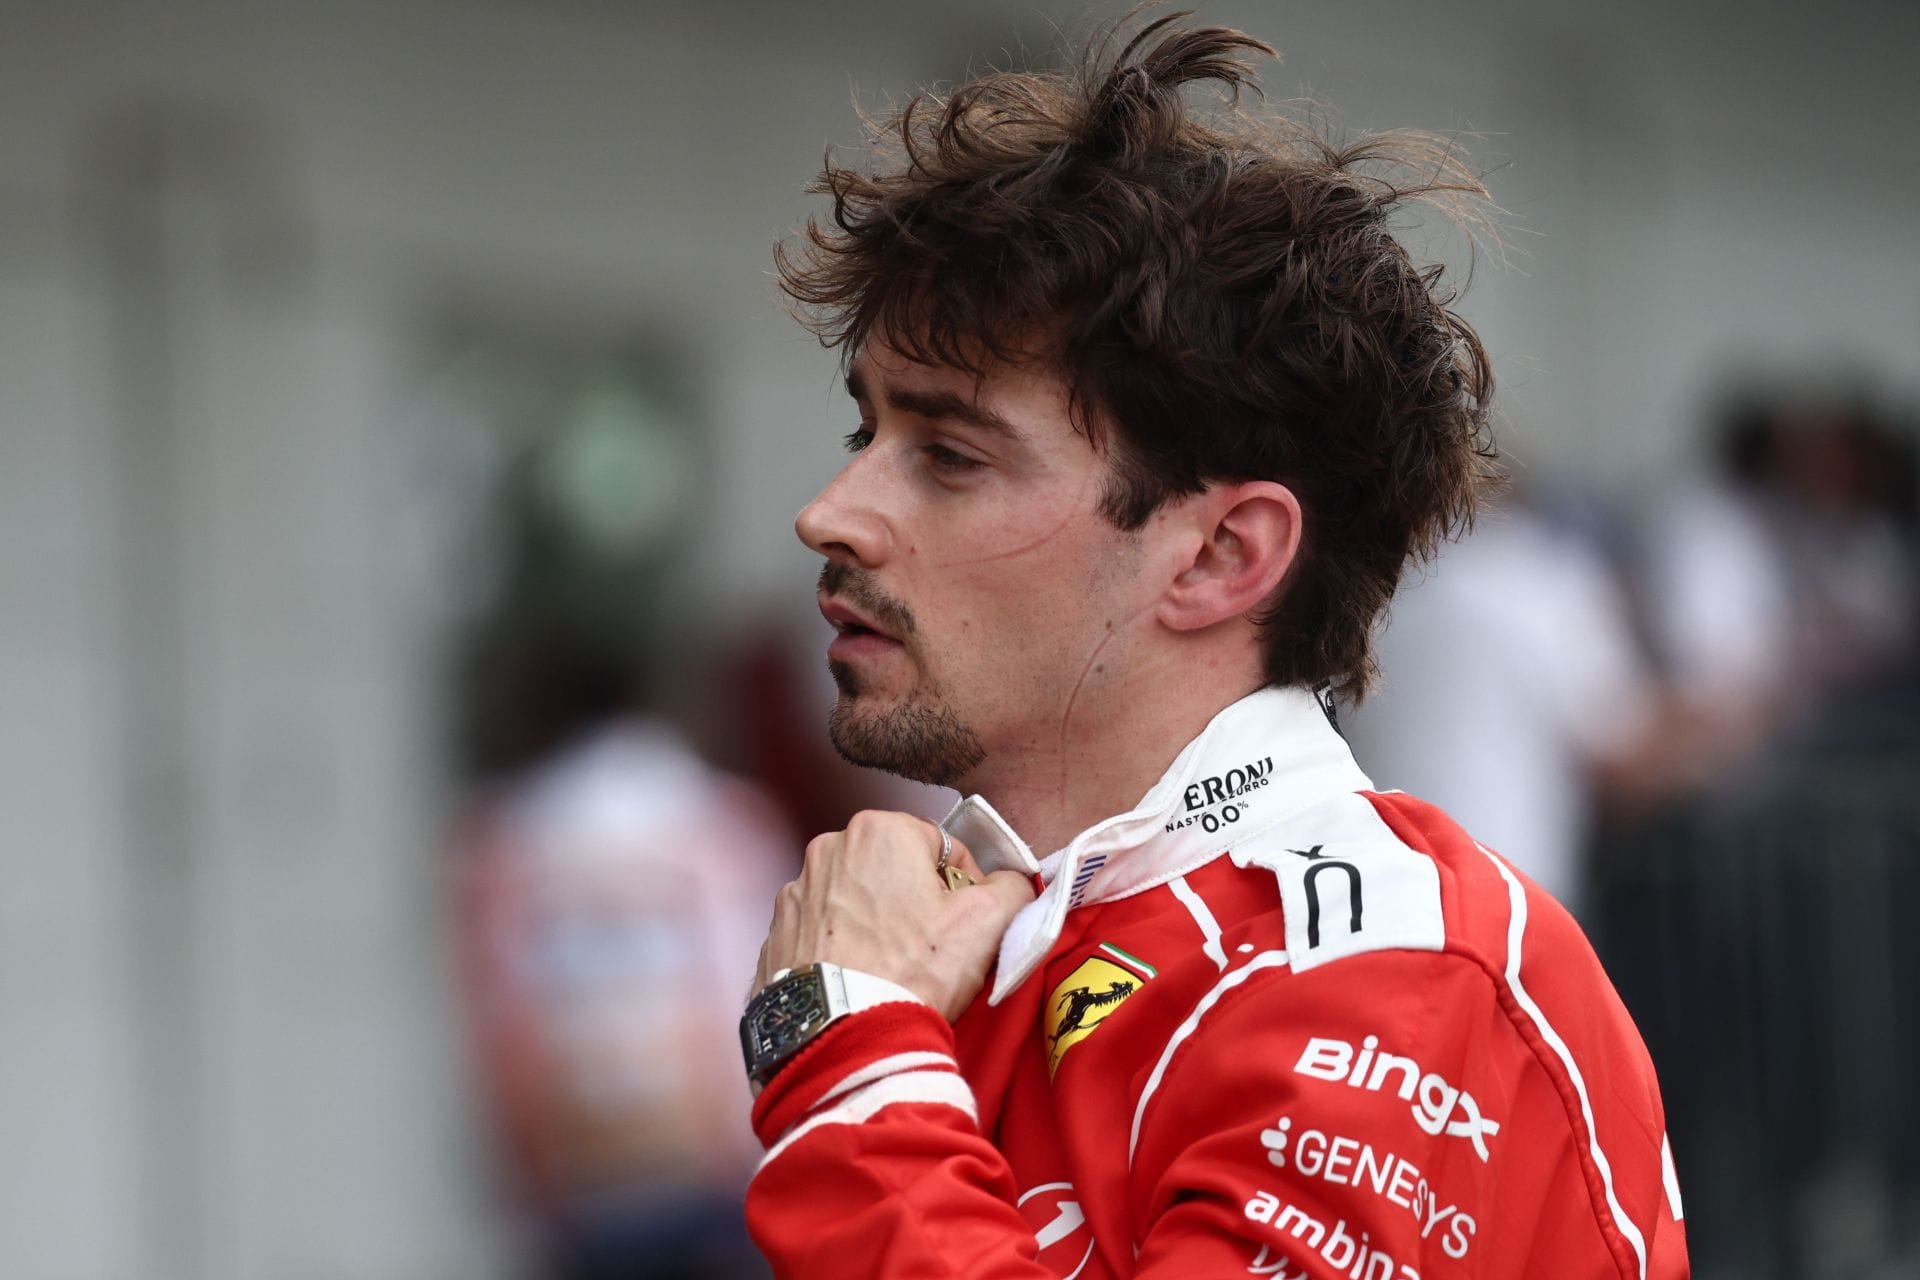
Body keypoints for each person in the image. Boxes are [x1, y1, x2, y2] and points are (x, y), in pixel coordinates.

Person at [738, 15, 1689, 1279]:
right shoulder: (983, 937)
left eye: (950, 456)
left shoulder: (1394, 973)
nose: (832, 510)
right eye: (866, 433)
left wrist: (843, 1051)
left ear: (1221, 555)